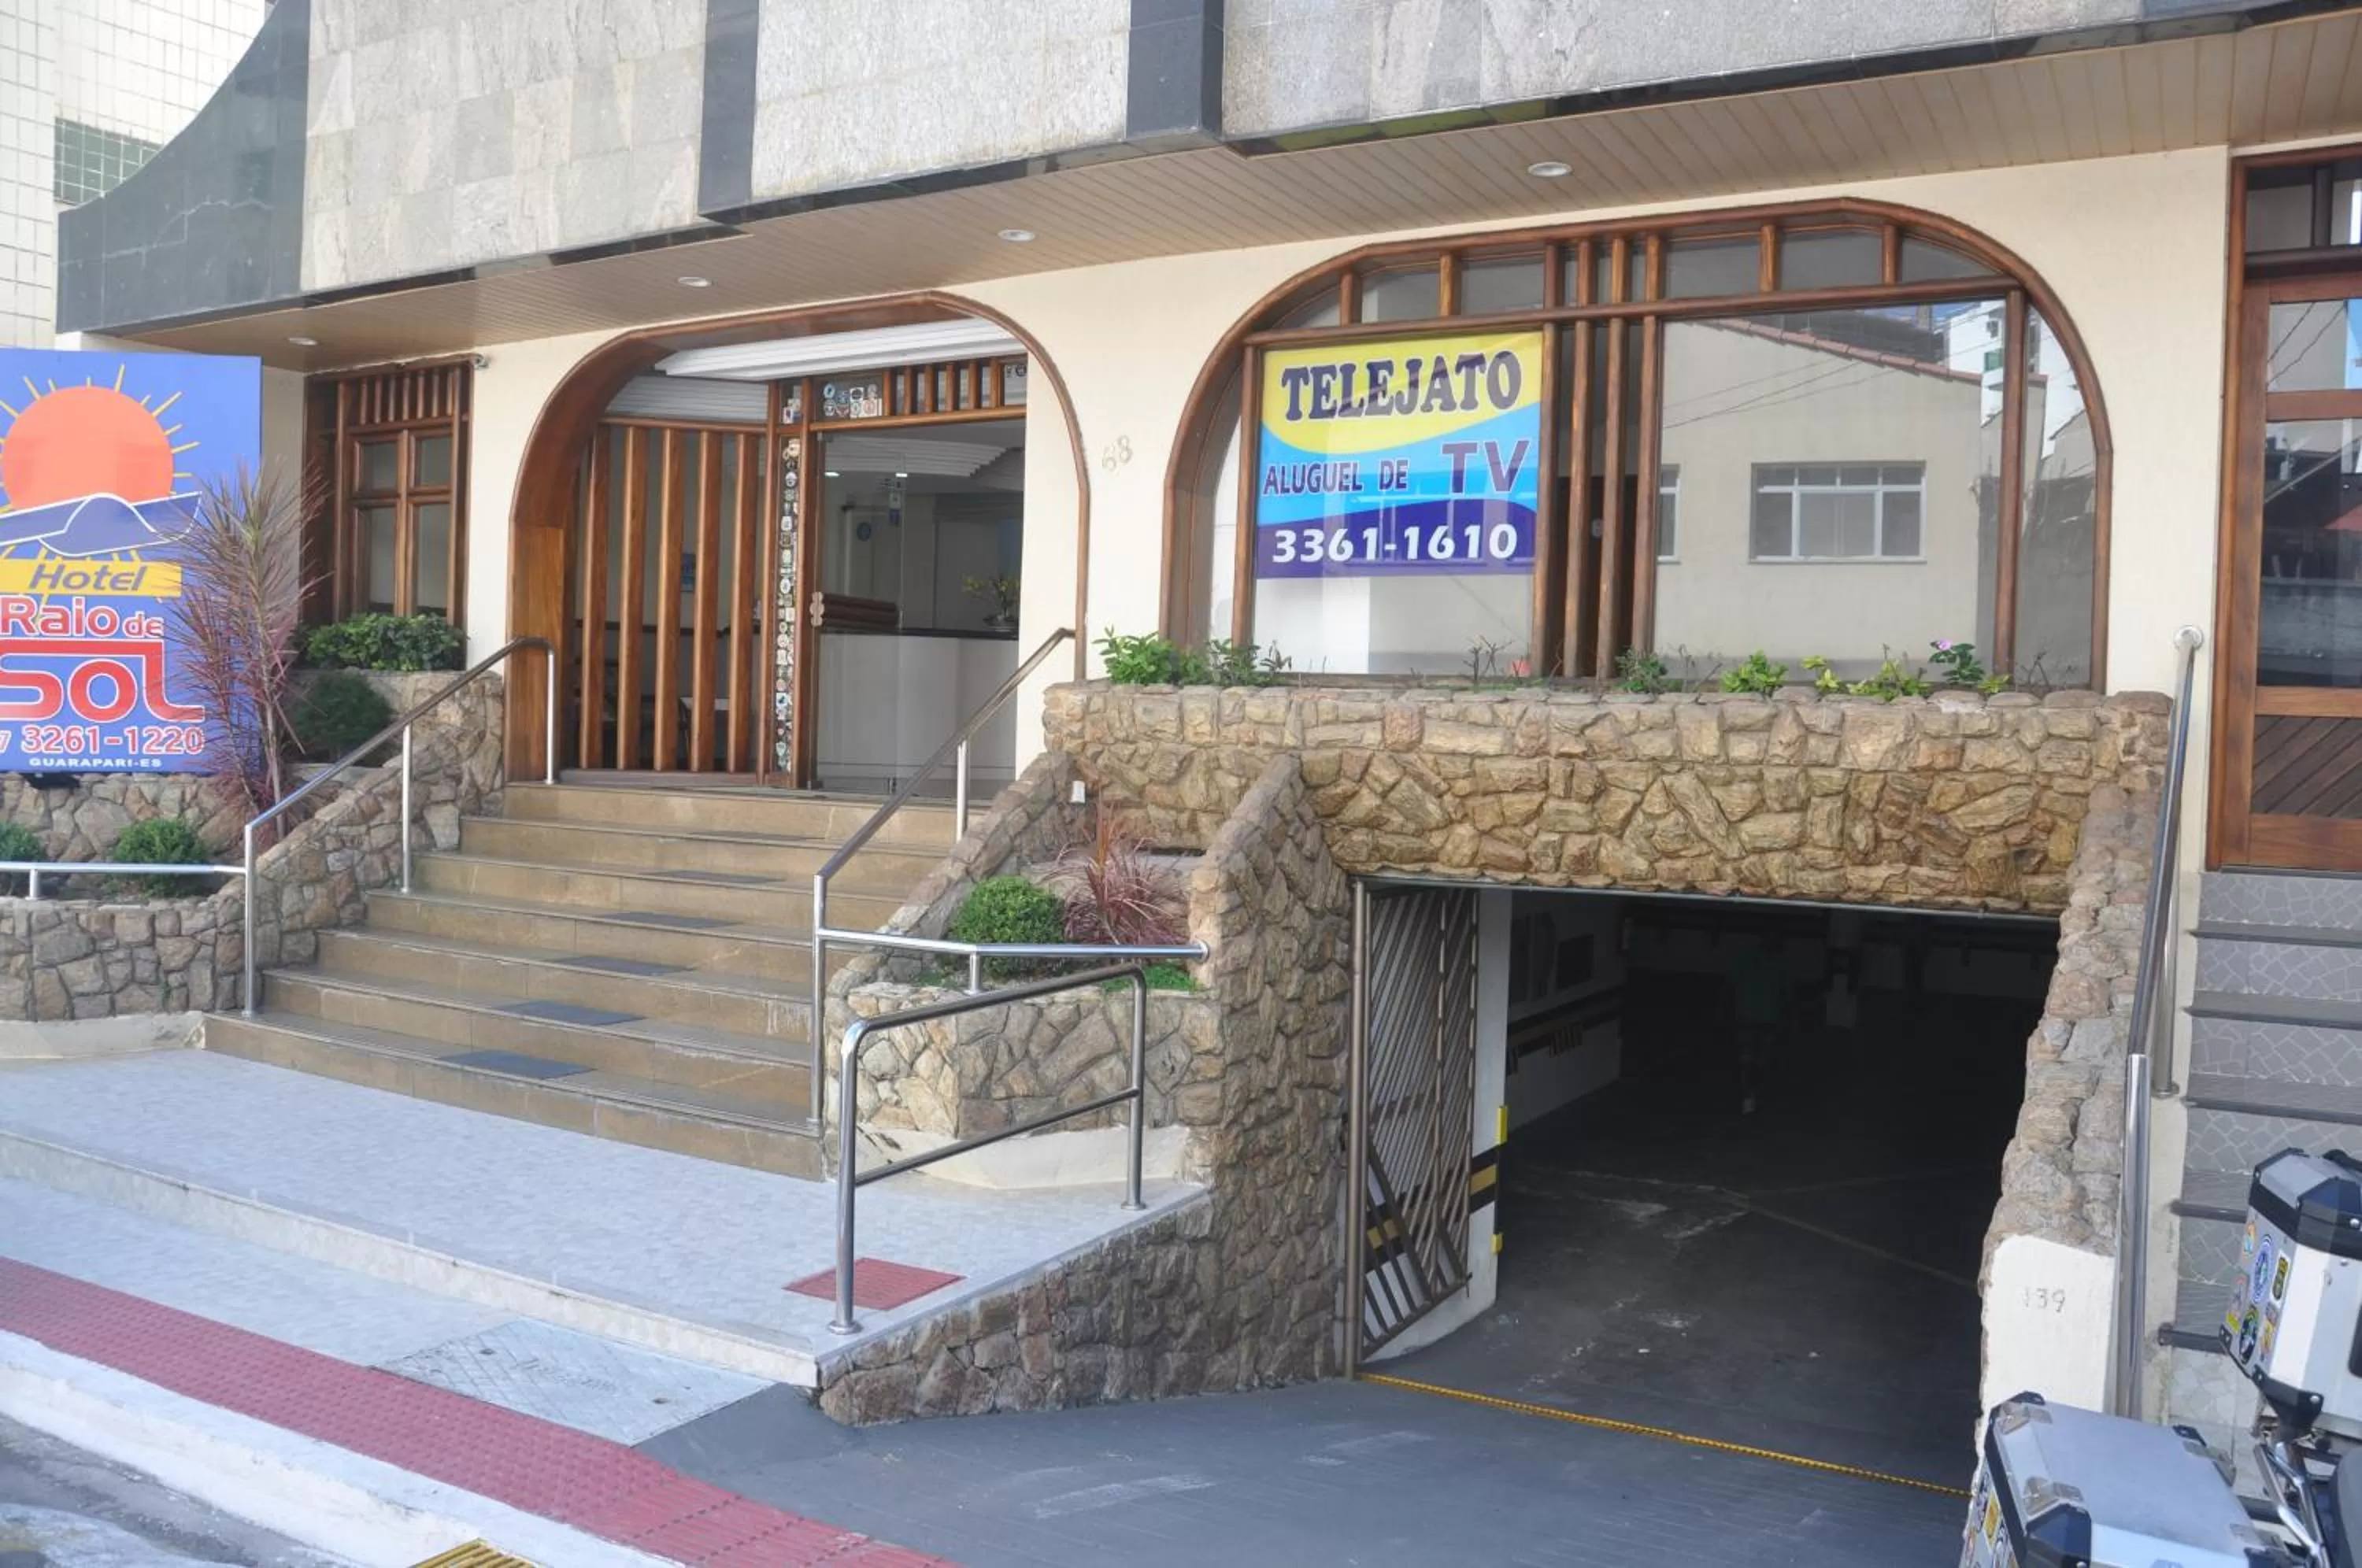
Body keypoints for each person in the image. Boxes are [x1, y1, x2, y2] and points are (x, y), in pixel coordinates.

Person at [1728, 935, 1784, 1115]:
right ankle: (1750, 1096)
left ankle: (1750, 1096)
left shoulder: (1773, 962)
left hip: (1756, 1017)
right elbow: (1731, 984)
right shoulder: (1772, 961)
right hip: (1757, 1017)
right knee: (1753, 1060)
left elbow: (1731, 984)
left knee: (1754, 1061)